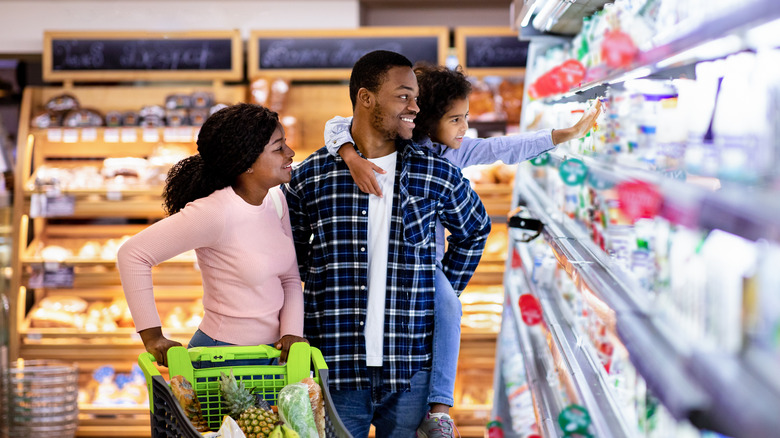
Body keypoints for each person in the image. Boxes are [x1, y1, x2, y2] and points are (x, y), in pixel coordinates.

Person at [322, 63, 601, 436]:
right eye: (455, 119)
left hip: (425, 265)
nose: (464, 127)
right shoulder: (390, 142)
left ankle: (439, 406)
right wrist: (350, 155)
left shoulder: (452, 153)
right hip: (375, 263)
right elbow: (336, 124)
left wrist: (563, 134)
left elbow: (502, 147)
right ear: (426, 119)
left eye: (465, 117)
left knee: (449, 307)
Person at [283, 50, 491, 437]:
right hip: (335, 367)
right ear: (366, 98)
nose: (415, 107)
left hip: (410, 369)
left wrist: (439, 289)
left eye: (416, 97)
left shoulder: (435, 173)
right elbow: (289, 262)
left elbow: (475, 229)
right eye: (403, 96)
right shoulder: (312, 177)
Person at [118, 103, 306, 368]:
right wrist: (152, 337)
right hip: (223, 358)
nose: (290, 153)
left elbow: (290, 278)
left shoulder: (275, 200)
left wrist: (292, 334)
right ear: (247, 163)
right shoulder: (214, 212)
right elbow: (132, 254)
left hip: (273, 356)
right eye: (278, 148)